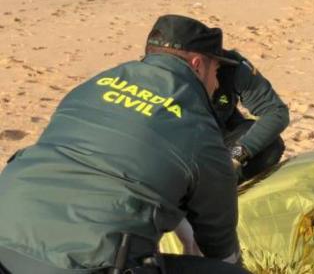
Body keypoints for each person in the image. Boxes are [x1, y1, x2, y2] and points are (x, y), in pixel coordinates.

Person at [0, 15, 249, 274]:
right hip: (85, 262)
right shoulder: (197, 123)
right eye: (216, 72)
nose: (217, 84)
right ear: (197, 65)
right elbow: (218, 241)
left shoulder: (93, 85)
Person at [211, 48, 289, 184]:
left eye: (215, 66)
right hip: (178, 146)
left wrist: (237, 155)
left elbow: (276, 112)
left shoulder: (231, 66)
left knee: (270, 145)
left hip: (219, 134)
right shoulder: (170, 75)